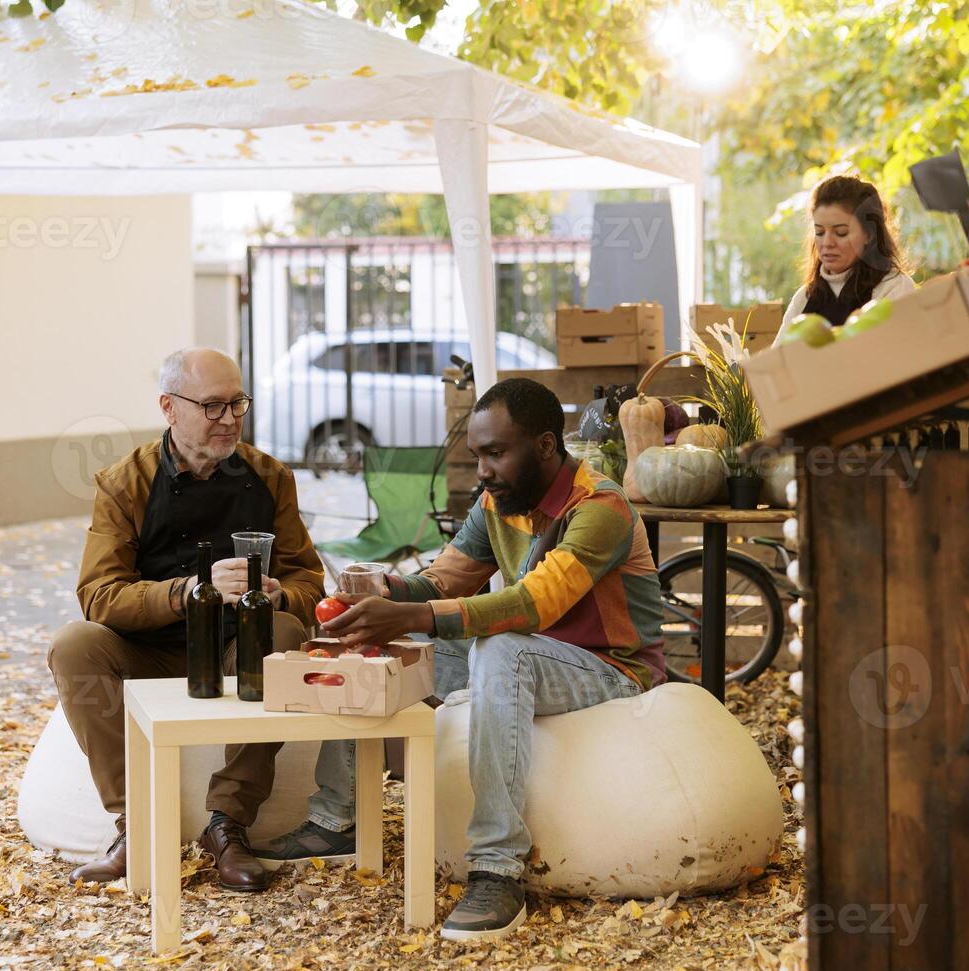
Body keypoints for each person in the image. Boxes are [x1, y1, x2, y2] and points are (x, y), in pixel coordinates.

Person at [256, 377, 664, 942]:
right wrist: (382, 594)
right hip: (532, 654)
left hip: (612, 669)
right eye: (477, 455)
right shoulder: (498, 503)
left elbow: (532, 604)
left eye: (496, 453)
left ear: (546, 446)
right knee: (374, 645)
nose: (483, 471)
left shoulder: (602, 508)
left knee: (500, 648)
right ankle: (336, 818)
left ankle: (498, 870)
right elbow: (445, 579)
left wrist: (413, 617)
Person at [48, 348, 325, 890]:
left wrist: (276, 596)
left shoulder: (271, 478)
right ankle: (136, 823)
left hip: (236, 649)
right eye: (213, 406)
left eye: (238, 404)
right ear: (169, 408)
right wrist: (189, 591)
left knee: (286, 631)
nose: (230, 419)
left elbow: (310, 584)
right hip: (147, 648)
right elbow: (98, 596)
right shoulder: (124, 483)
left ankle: (227, 825)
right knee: (74, 645)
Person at [774, 174, 917, 343]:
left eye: (841, 232)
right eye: (819, 232)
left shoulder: (893, 287)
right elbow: (778, 361)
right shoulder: (805, 297)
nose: (827, 243)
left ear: (869, 234)